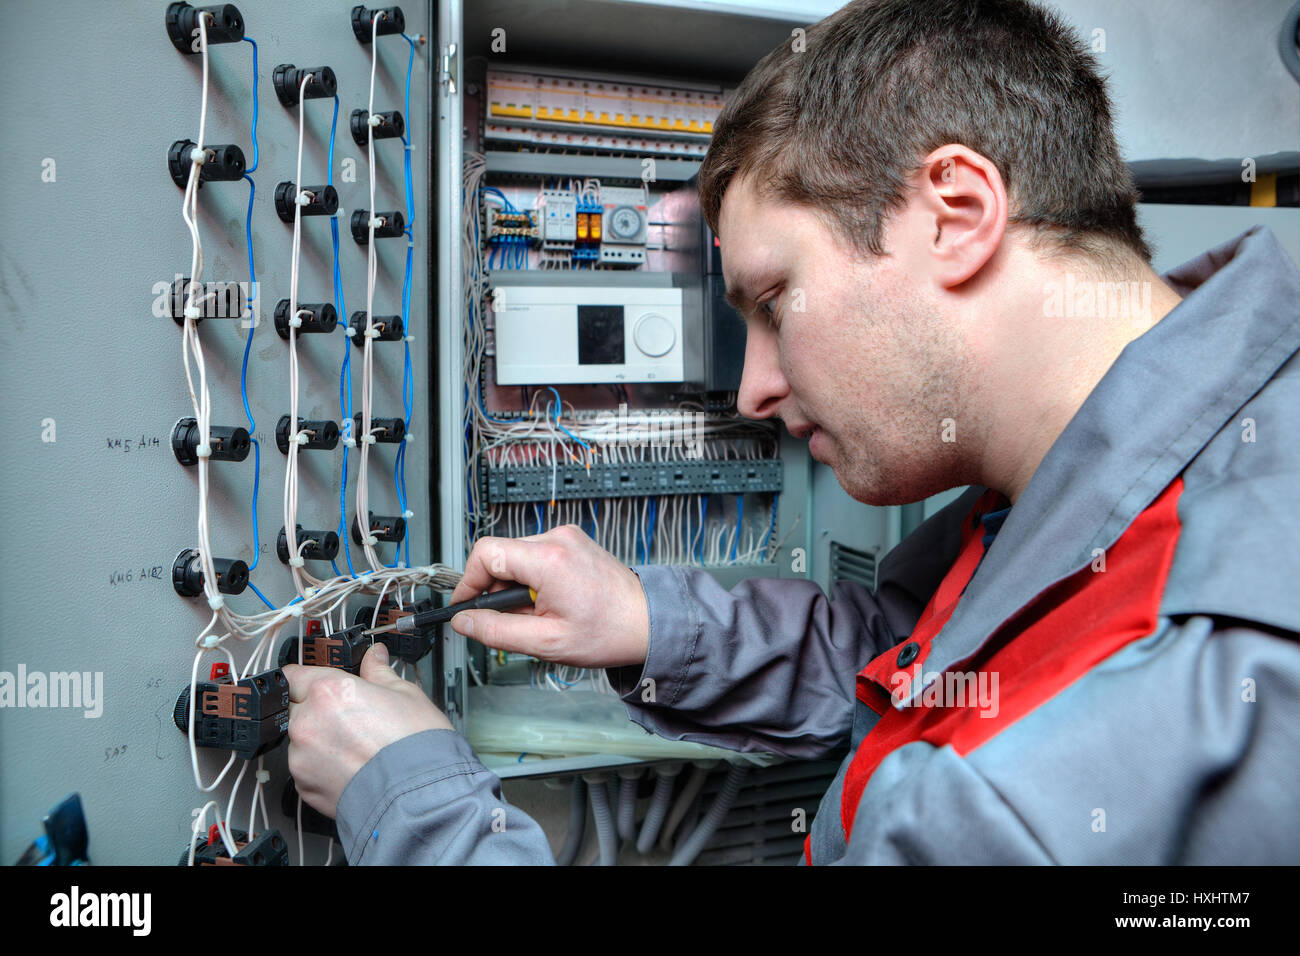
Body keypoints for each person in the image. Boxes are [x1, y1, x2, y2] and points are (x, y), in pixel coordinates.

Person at [283, 0, 1300, 864]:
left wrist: (411, 804)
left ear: (953, 213)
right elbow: (917, 656)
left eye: (774, 301)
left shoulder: (1180, 678)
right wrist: (646, 616)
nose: (754, 392)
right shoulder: (1145, 456)